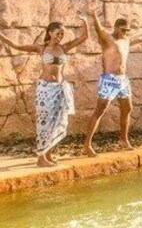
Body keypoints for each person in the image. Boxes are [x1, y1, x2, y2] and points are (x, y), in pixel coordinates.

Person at [0, 15, 90, 167]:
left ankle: (48, 153)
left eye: (62, 34)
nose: (60, 37)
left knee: (57, 121)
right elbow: (15, 45)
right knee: (44, 122)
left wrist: (86, 21)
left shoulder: (64, 48)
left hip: (59, 89)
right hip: (45, 89)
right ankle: (41, 158)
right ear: (50, 33)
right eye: (58, 33)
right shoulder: (40, 48)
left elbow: (84, 37)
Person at [83, 4, 142, 157]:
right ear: (116, 28)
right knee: (100, 110)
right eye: (123, 30)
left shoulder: (126, 40)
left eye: (127, 30)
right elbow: (98, 29)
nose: (125, 32)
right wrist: (94, 14)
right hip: (109, 79)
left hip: (122, 79)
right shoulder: (108, 39)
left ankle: (123, 140)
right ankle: (87, 144)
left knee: (127, 108)